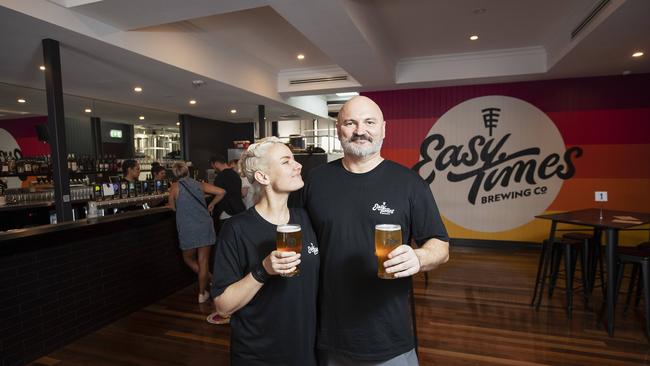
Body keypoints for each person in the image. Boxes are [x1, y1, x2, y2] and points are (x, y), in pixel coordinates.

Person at [293, 96, 450, 365]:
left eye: (369, 122)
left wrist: (419, 257)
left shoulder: (410, 184)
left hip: (389, 335)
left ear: (383, 129)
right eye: (350, 122)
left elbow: (440, 245)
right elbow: (294, 234)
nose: (360, 130)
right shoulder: (314, 180)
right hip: (327, 331)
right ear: (338, 129)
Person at [210, 137, 319, 365]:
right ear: (263, 176)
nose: (297, 165)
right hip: (258, 355)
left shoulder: (305, 218)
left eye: (294, 160)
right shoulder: (236, 229)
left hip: (304, 350)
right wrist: (263, 270)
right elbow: (223, 305)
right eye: (286, 161)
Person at [168, 161, 225, 303]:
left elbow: (172, 207)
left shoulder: (174, 187)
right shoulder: (199, 184)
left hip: (187, 228)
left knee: (188, 259)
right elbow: (221, 192)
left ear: (174, 174)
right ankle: (202, 293)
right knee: (203, 261)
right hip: (204, 225)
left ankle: (207, 284)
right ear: (188, 171)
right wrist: (211, 204)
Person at [210, 155, 246, 225]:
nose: (214, 169)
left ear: (216, 164)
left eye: (213, 166)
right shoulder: (235, 174)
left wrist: (212, 204)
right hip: (239, 209)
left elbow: (220, 193)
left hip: (227, 211)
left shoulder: (220, 176)